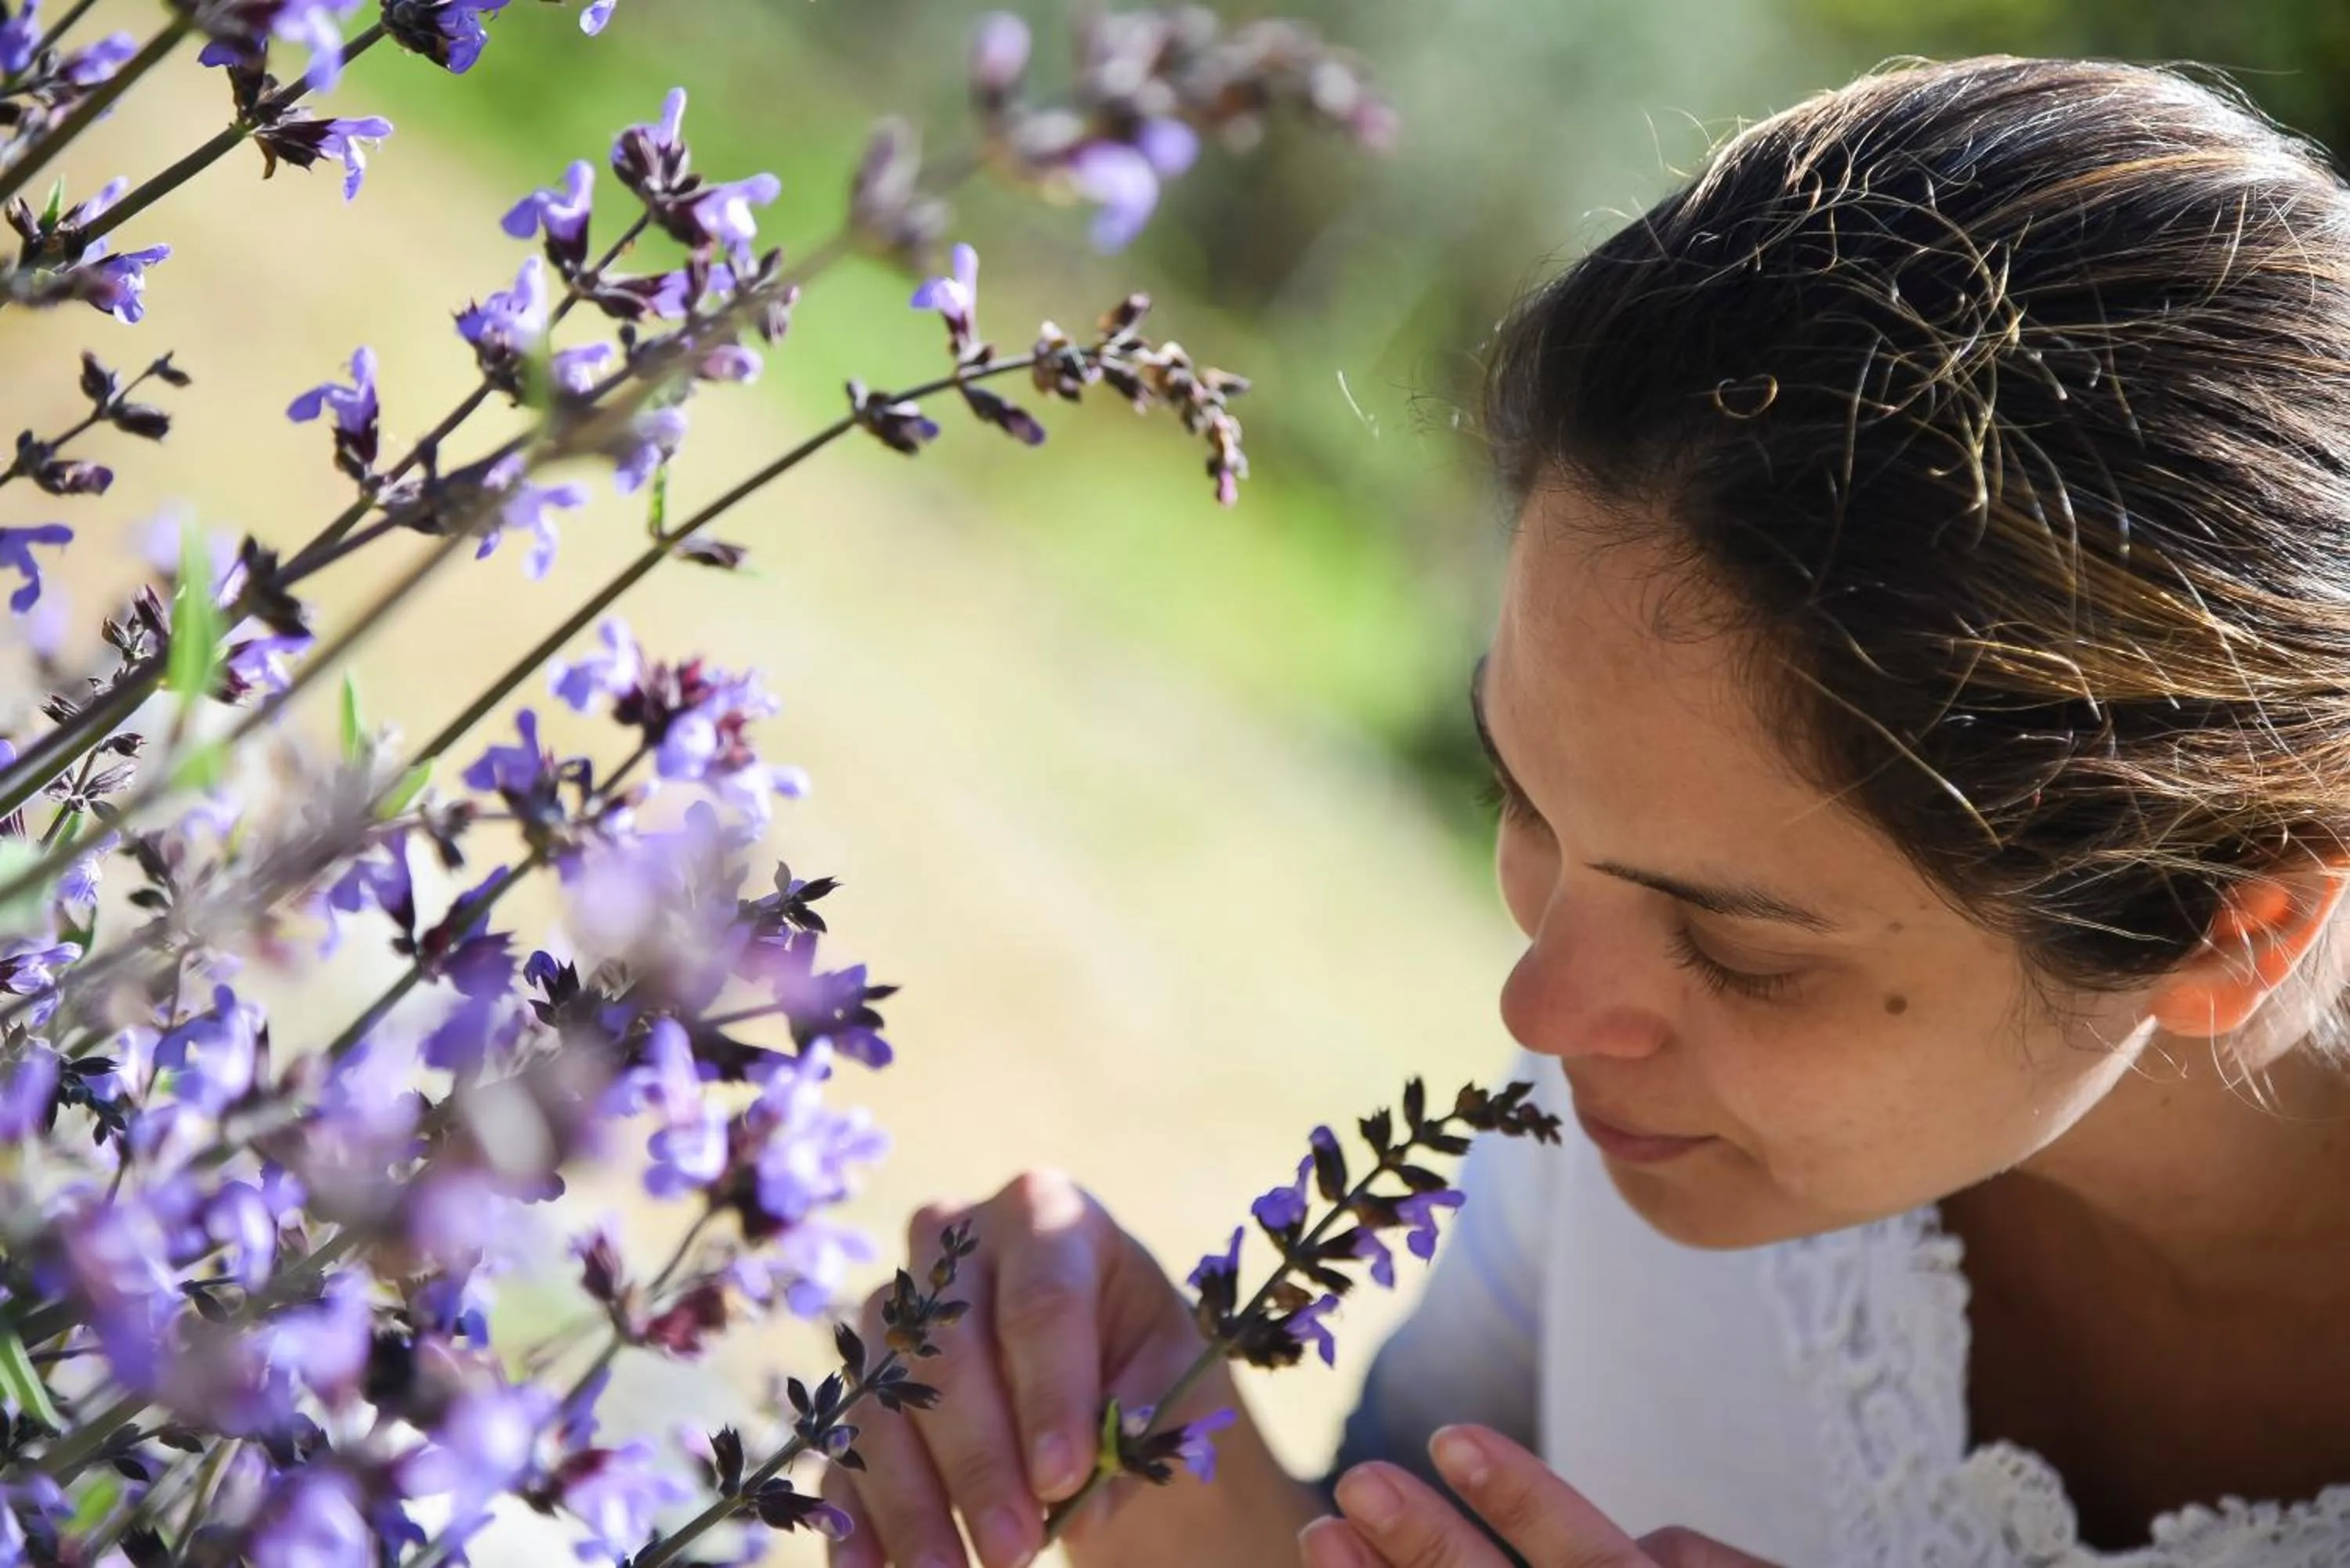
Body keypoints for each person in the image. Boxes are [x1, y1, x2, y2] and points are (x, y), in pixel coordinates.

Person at [822, 56, 2350, 1568]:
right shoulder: (1652, 1121)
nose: (1541, 1009)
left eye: (1740, 944)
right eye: (1526, 797)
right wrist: (1149, 1455)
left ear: (2240, 919)